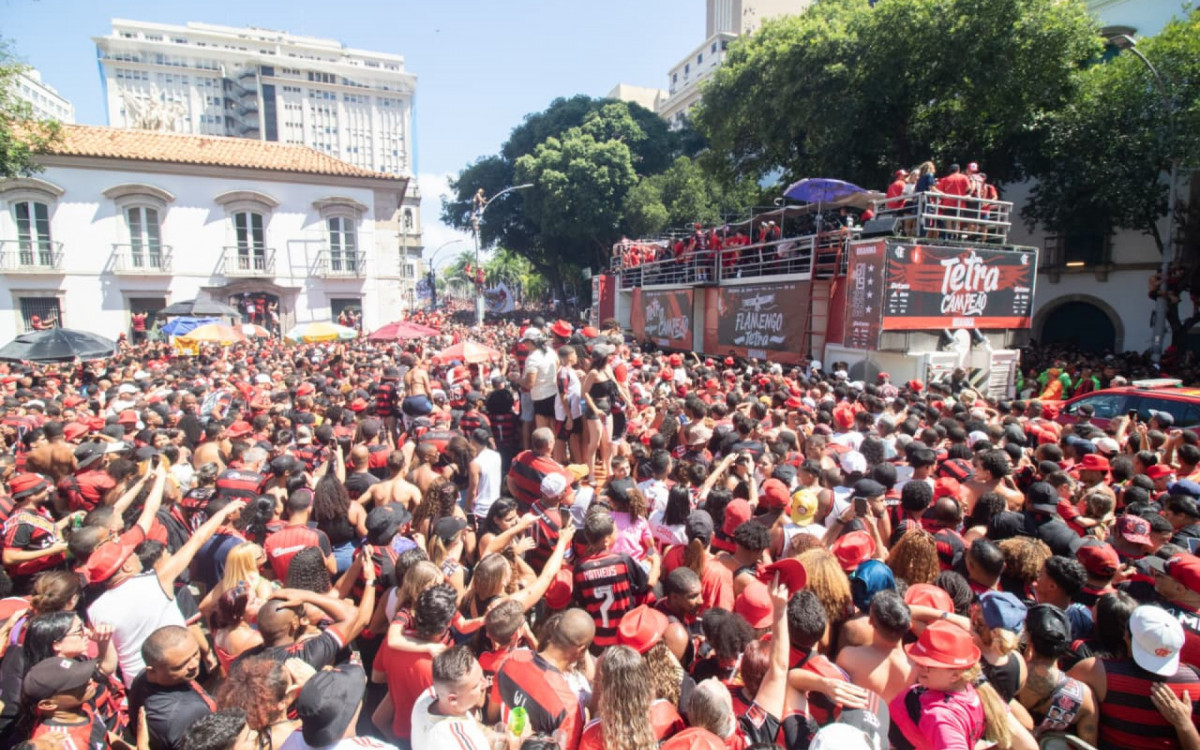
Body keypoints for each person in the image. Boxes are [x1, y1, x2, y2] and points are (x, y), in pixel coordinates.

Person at [411, 646, 519, 750]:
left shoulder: (428, 695)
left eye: (482, 676)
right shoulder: (465, 745)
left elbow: (469, 724)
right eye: (476, 685)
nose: (486, 683)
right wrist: (515, 747)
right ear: (453, 700)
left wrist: (499, 737)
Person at [128, 626, 214, 750]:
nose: (194, 665)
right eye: (181, 665)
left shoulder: (142, 678)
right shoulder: (189, 711)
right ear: (152, 672)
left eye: (195, 654)